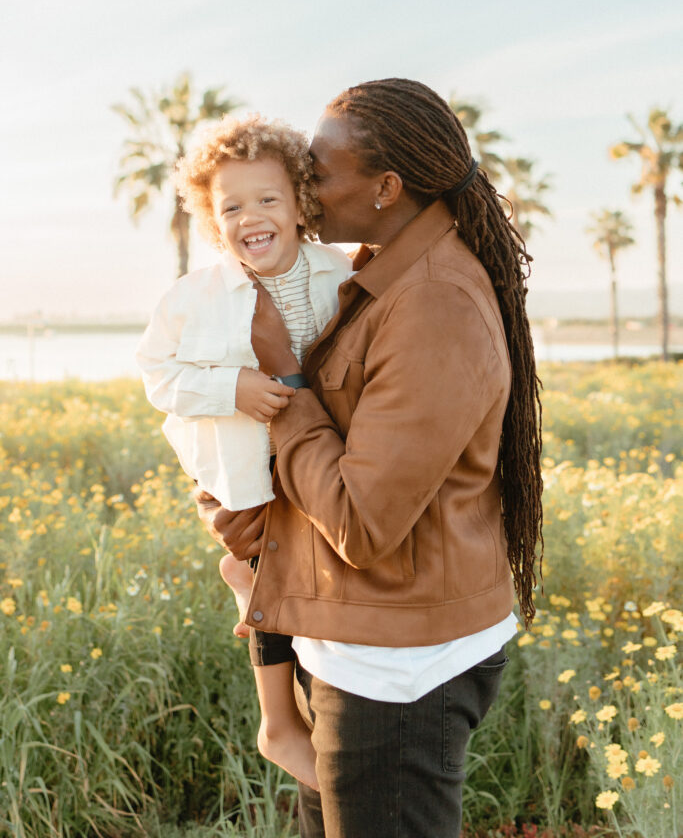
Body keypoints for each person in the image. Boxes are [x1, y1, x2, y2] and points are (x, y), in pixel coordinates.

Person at [194, 79, 544, 838]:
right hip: (361, 643)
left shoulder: (434, 304)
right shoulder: (377, 277)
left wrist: (283, 383)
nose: (302, 189)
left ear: (386, 187)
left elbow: (362, 518)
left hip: (397, 672)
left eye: (318, 172)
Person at [136, 113, 351, 792]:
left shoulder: (336, 273)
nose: (251, 217)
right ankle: (279, 725)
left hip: (315, 460)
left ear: (298, 204)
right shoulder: (193, 296)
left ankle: (301, 708)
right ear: (209, 215)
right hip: (237, 470)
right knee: (270, 572)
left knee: (306, 577)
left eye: (268, 199)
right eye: (230, 206)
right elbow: (156, 375)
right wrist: (230, 387)